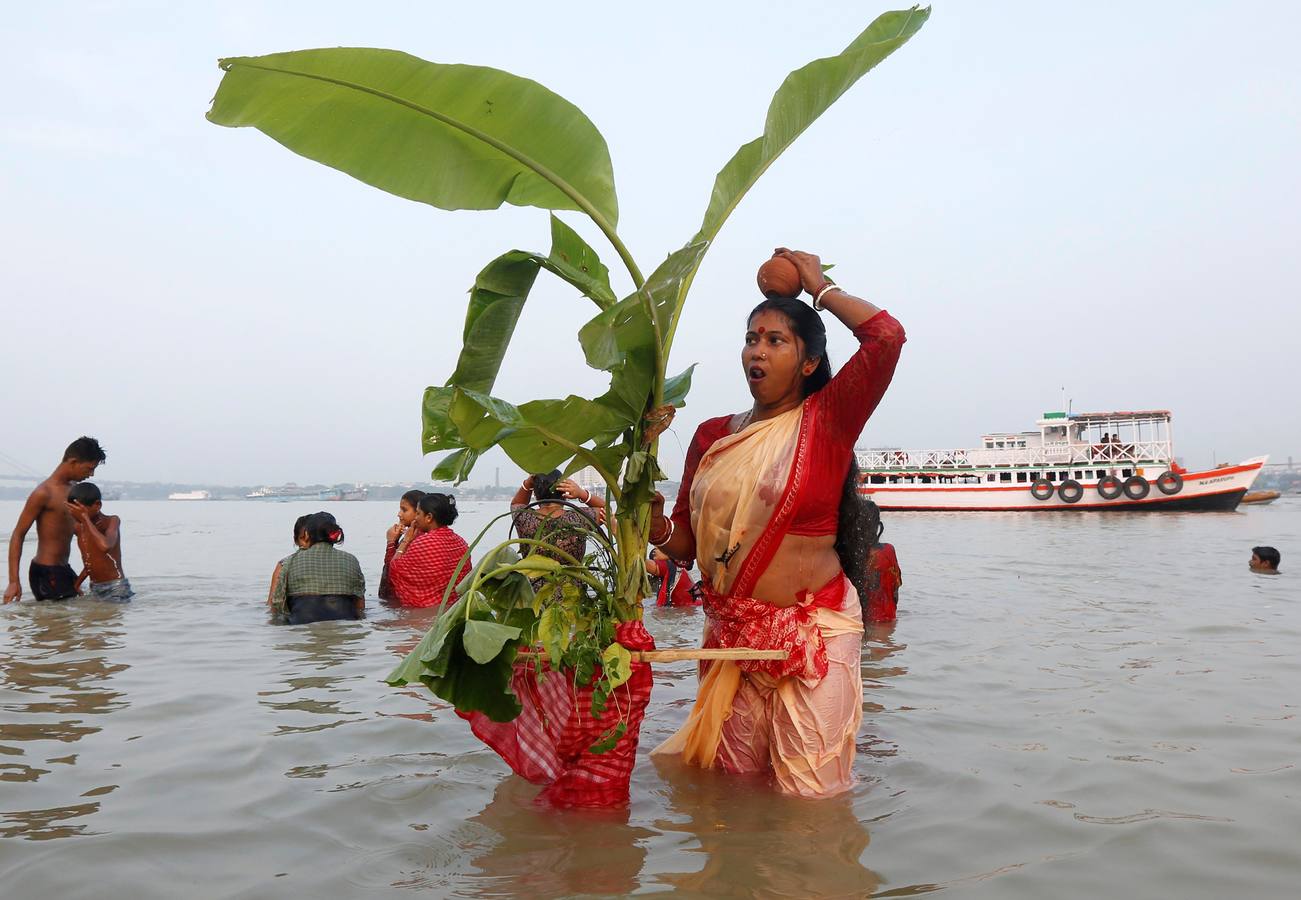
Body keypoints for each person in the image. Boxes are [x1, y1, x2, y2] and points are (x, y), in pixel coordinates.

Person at [650, 248, 905, 798]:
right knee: (732, 797)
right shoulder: (712, 436)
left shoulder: (829, 419)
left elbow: (886, 338)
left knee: (811, 808)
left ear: (808, 362)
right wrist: (650, 523)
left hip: (812, 640)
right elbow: (684, 547)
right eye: (750, 338)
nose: (756, 352)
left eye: (775, 340)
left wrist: (819, 289)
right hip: (731, 641)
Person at [4, 437, 107, 603]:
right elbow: (18, 534)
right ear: (73, 462)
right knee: (58, 626)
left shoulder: (74, 491)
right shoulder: (44, 493)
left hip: (63, 569)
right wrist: (13, 581)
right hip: (47, 572)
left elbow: (71, 527)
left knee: (71, 622)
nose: (91, 474)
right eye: (89, 468)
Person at [270, 512, 366, 624]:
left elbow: (277, 605)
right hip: (345, 622)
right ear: (334, 534)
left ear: (307, 534)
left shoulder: (288, 562)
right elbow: (360, 606)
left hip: (302, 624)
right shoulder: (351, 560)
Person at [385, 493, 472, 608]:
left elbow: (395, 569)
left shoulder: (422, 543)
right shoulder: (461, 542)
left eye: (418, 513)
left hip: (424, 612)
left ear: (429, 517)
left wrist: (398, 542)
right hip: (453, 608)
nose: (415, 518)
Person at [510, 471, 606, 565]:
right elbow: (606, 511)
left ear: (535, 494)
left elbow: (516, 504)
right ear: (564, 492)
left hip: (531, 581)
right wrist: (582, 494)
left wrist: (528, 483)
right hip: (571, 580)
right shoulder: (578, 518)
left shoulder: (524, 518)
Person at [65, 482, 134, 602]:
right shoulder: (79, 528)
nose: (75, 514)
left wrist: (85, 518)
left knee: (112, 618)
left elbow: (105, 546)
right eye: (73, 510)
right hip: (95, 588)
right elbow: (90, 562)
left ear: (97, 505)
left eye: (80, 510)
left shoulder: (112, 521)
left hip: (116, 587)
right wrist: (76, 585)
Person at [379, 489, 426, 601]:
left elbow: (393, 571)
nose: (399, 514)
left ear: (418, 512)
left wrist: (391, 543)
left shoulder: (417, 539)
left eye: (404, 510)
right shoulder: (411, 534)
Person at [861, 500, 902, 623]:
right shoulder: (889, 550)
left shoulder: (853, 555)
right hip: (889, 619)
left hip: (863, 623)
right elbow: (895, 592)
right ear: (877, 525)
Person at [266, 515, 311, 606]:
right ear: (296, 541)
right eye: (303, 539)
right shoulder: (284, 565)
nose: (308, 544)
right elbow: (272, 602)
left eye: (312, 540)